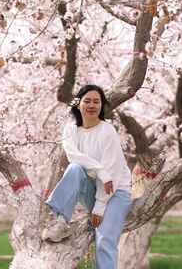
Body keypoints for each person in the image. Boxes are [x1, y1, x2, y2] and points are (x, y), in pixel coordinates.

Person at [41, 84, 132, 269]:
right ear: (78, 104)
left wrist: (99, 206)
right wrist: (100, 170)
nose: (92, 105)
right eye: (87, 101)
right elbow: (73, 156)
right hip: (93, 186)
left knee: (105, 238)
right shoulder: (70, 129)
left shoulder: (107, 131)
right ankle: (60, 221)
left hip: (116, 192)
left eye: (96, 101)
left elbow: (112, 172)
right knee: (74, 168)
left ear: (101, 106)